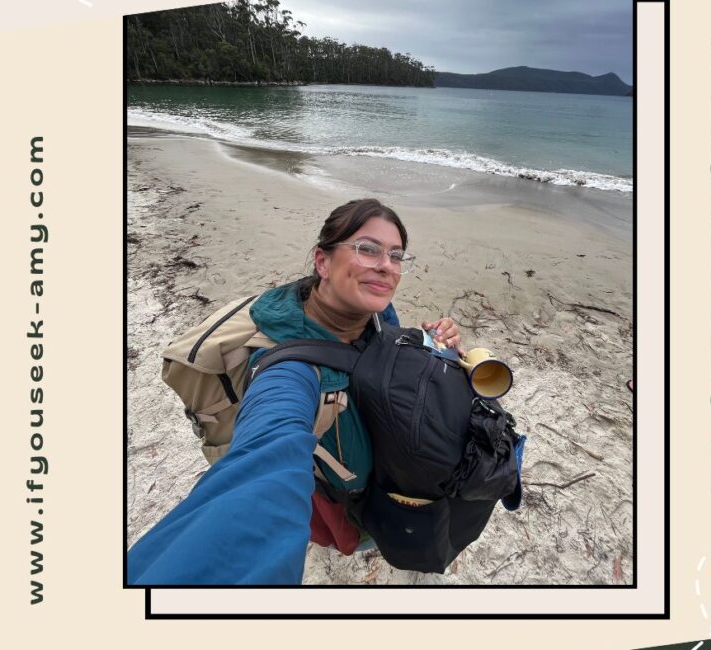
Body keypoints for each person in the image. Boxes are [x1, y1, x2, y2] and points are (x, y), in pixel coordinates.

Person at [128, 199, 463, 584]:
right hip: (353, 509)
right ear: (322, 262)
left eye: (396, 255)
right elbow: (265, 468)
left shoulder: (375, 311)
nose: (386, 265)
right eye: (367, 249)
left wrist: (435, 349)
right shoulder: (287, 371)